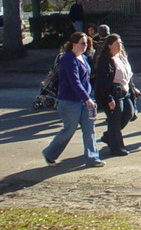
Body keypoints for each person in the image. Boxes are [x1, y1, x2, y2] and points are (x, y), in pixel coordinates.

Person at [42, 32, 104, 167]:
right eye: (82, 43)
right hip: (69, 101)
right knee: (69, 129)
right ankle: (49, 153)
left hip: (85, 100)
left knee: (89, 129)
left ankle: (93, 158)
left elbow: (87, 79)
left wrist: (89, 97)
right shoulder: (67, 58)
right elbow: (74, 81)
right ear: (74, 43)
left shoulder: (82, 57)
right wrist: (87, 98)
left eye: (86, 43)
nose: (85, 46)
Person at [94, 34, 140, 156]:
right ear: (109, 46)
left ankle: (109, 136)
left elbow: (128, 75)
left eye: (120, 43)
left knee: (129, 114)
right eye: (116, 44)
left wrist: (133, 88)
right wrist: (108, 98)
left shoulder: (122, 56)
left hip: (125, 91)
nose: (119, 46)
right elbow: (103, 81)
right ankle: (116, 147)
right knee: (115, 120)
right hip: (113, 92)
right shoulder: (106, 59)